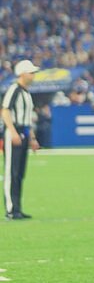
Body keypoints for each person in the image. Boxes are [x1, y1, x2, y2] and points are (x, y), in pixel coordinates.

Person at [2, 59, 41, 219]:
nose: (33, 76)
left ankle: (17, 208)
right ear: (23, 74)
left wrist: (32, 138)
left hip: (23, 132)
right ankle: (11, 209)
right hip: (15, 131)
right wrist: (12, 132)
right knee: (12, 172)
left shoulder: (26, 93)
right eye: (31, 73)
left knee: (19, 173)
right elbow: (5, 111)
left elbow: (27, 119)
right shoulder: (14, 89)